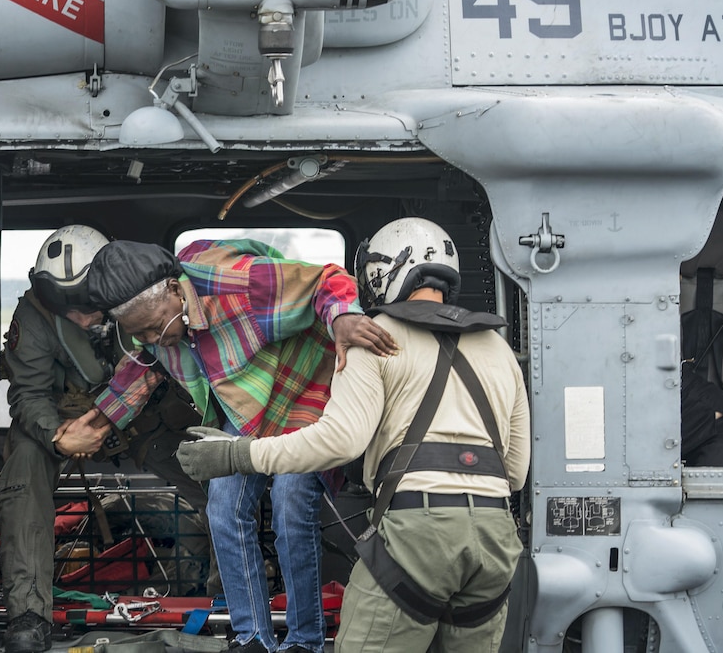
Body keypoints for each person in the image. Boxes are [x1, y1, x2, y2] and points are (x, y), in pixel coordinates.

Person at [176, 218, 531, 653]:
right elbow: (514, 472)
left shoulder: (375, 338)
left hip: (418, 538)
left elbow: (339, 442)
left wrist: (238, 456)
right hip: (495, 544)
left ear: (379, 276)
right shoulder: (498, 348)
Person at [86, 238, 397, 653]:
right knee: (223, 504)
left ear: (176, 291)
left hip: (305, 388)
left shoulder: (237, 284)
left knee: (290, 500)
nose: (150, 338)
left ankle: (305, 641)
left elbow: (327, 280)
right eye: (137, 332)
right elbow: (141, 367)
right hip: (249, 401)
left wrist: (341, 317)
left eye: (152, 326)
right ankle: (252, 636)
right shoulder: (156, 331)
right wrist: (99, 420)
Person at [0, 225, 215, 653]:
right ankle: (27, 614)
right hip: (65, 424)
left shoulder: (144, 300)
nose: (79, 317)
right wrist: (59, 438)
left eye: (85, 303)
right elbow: (29, 393)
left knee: (217, 469)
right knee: (22, 469)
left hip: (144, 420)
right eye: (66, 306)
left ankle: (235, 596)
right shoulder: (35, 317)